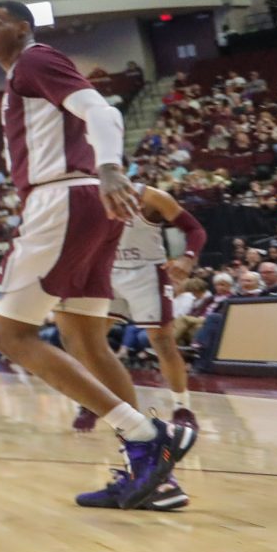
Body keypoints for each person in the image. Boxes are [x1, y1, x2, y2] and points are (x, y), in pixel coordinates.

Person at [0, 2, 196, 510]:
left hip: (63, 199)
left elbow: (103, 110)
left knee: (9, 335)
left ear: (22, 28)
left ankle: (145, 436)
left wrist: (113, 167)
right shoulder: (24, 74)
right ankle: (153, 476)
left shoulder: (34, 60)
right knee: (86, 341)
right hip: (88, 204)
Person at [94, 180, 207, 462]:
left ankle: (183, 408)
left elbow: (196, 230)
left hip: (146, 273)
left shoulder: (153, 198)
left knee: (163, 342)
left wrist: (188, 259)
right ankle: (95, 398)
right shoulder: (88, 196)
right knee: (90, 341)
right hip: (109, 271)